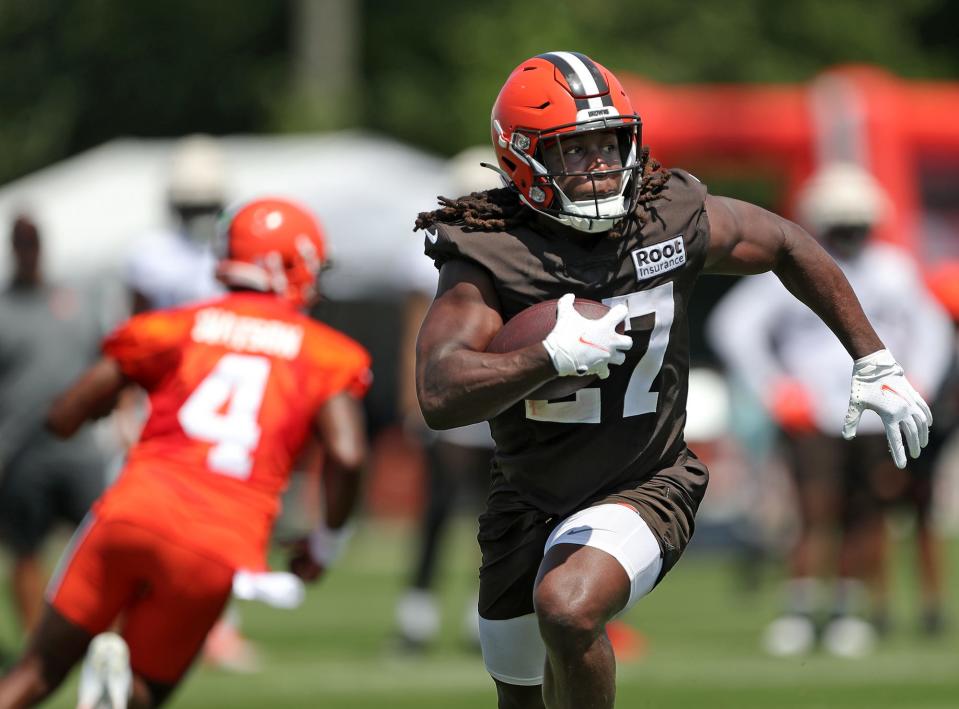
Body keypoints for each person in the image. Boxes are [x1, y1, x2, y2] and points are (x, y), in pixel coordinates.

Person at [413, 52, 933, 709]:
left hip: (647, 479)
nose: (600, 164)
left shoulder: (664, 215)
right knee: (520, 693)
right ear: (522, 157)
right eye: (575, 150)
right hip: (528, 496)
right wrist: (546, 356)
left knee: (568, 607)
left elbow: (785, 243)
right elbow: (438, 391)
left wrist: (871, 356)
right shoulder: (492, 252)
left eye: (609, 143)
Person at [0, 198, 372, 709]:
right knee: (145, 692)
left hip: (133, 511)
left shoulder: (176, 326)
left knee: (35, 673)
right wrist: (325, 543)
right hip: (217, 543)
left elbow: (63, 415)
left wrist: (95, 409)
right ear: (293, 263)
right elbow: (348, 454)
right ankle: (118, 695)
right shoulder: (325, 353)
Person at [707, 163, 953, 656]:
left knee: (863, 514)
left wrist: (917, 384)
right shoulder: (795, 268)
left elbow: (932, 329)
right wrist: (775, 388)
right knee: (812, 511)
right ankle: (799, 610)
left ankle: (845, 610)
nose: (849, 234)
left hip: (874, 414)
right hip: (813, 413)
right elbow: (734, 326)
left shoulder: (892, 269)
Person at [395, 146, 497, 650]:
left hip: (495, 385)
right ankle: (418, 612)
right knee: (438, 506)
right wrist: (413, 393)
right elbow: (416, 324)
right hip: (455, 384)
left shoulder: (513, 244)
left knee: (496, 509)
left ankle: (482, 616)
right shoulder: (434, 248)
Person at [0, 215, 109, 637]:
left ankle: (104, 636)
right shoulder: (5, 308)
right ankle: (36, 644)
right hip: (24, 452)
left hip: (80, 449)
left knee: (103, 543)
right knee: (26, 550)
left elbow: (103, 360)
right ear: (13, 248)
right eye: (21, 243)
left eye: (33, 242)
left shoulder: (73, 301)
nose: (28, 251)